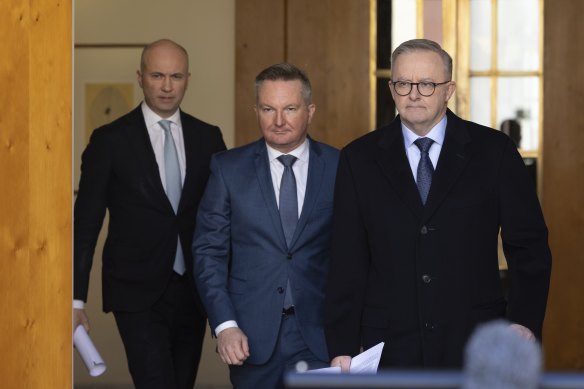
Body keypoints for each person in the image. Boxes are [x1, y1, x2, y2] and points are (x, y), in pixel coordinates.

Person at [324, 39, 552, 369]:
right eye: (404, 83)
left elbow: (529, 246)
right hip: (387, 346)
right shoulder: (358, 158)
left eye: (427, 84)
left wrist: (523, 320)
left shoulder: (494, 152)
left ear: (449, 90)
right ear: (392, 89)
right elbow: (347, 259)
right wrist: (342, 345)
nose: (414, 94)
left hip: (476, 341)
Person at [73, 39, 226, 389]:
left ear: (188, 78)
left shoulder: (209, 138)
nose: (167, 86)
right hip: (135, 290)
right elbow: (86, 223)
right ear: (140, 77)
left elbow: (224, 222)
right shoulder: (109, 140)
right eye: (157, 75)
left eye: (176, 76)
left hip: (194, 291)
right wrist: (74, 298)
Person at [193, 63, 339, 388]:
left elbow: (358, 255)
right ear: (256, 110)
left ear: (310, 110)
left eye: (290, 108)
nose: (278, 121)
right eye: (268, 109)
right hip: (250, 337)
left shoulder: (340, 167)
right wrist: (225, 325)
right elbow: (208, 254)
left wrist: (356, 331)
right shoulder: (227, 169)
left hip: (321, 336)